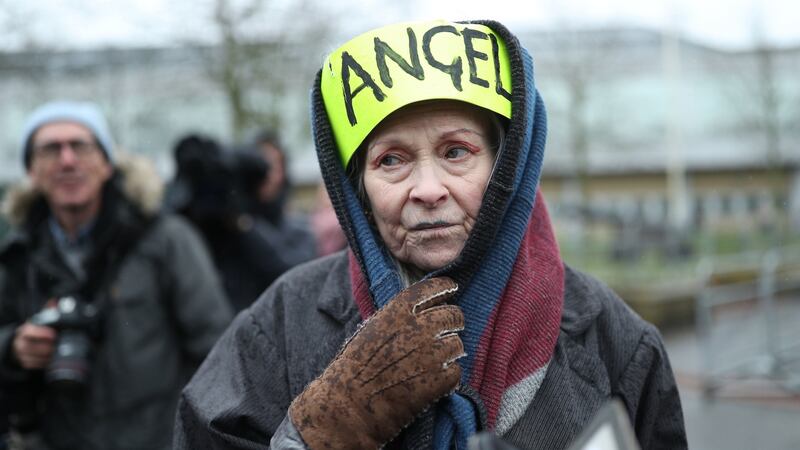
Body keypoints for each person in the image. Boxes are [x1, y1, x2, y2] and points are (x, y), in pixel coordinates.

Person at [174, 20, 687, 449]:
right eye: (391, 160)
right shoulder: (280, 329)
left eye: (456, 152)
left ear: (506, 166)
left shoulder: (615, 343)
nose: (428, 189)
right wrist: (318, 434)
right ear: (356, 189)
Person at [0, 100, 233, 450]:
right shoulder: (18, 257)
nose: (67, 160)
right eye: (50, 149)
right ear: (32, 171)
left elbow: (216, 349)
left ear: (107, 163)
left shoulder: (165, 239)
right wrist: (13, 348)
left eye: (80, 146)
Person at [166, 131, 317, 312]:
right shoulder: (217, 230)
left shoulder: (299, 230)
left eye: (274, 166)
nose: (267, 174)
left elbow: (291, 274)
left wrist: (243, 223)